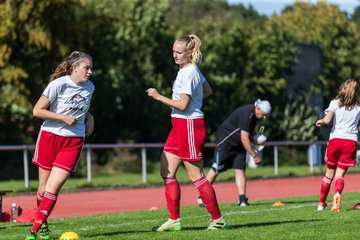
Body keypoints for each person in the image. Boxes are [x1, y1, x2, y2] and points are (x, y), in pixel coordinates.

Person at [146, 34, 227, 231]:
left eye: (179, 52)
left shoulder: (189, 72)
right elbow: (207, 90)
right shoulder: (188, 70)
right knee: (166, 171)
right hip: (179, 126)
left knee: (196, 176)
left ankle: (218, 219)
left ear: (189, 53)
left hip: (189, 125)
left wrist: (158, 96)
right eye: (173, 51)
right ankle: (174, 220)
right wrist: (197, 97)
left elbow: (182, 105)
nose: (174, 55)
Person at [25, 51, 95, 240]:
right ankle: (44, 226)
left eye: (91, 68)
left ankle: (33, 231)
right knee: (42, 188)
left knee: (52, 188)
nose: (90, 72)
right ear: (75, 67)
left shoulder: (90, 87)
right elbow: (37, 111)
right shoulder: (58, 85)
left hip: (73, 141)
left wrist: (89, 116)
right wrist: (63, 118)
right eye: (86, 68)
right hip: (49, 137)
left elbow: (81, 107)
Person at [198, 99, 271, 207]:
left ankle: (242, 200)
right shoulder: (248, 113)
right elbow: (244, 137)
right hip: (226, 143)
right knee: (216, 168)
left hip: (238, 144)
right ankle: (202, 197)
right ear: (258, 108)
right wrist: (254, 156)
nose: (264, 117)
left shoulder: (254, 116)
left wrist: (256, 139)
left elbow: (248, 133)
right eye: (263, 114)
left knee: (240, 169)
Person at [316, 79, 360, 212]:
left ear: (343, 89)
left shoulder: (335, 103)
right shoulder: (358, 107)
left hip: (336, 140)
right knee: (339, 175)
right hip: (350, 142)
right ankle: (337, 194)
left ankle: (322, 204)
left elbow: (327, 120)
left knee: (329, 174)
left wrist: (320, 121)